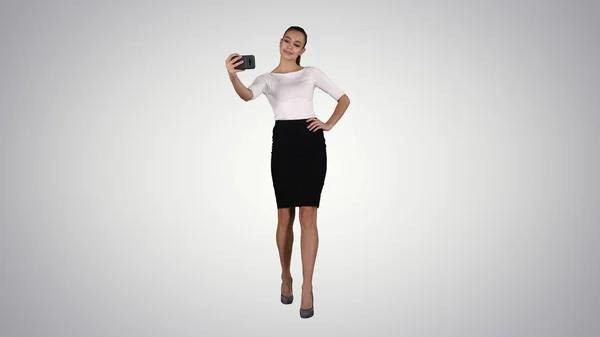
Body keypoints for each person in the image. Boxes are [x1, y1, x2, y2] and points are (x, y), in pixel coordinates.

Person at [225, 26, 350, 319]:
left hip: (310, 142)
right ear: (279, 42)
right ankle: (285, 276)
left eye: (297, 44)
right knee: (285, 216)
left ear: (303, 50)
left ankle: (307, 287)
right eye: (287, 41)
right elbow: (247, 95)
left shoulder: (312, 73)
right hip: (283, 143)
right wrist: (233, 76)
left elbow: (343, 98)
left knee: (309, 215)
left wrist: (328, 123)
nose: (290, 47)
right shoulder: (267, 78)